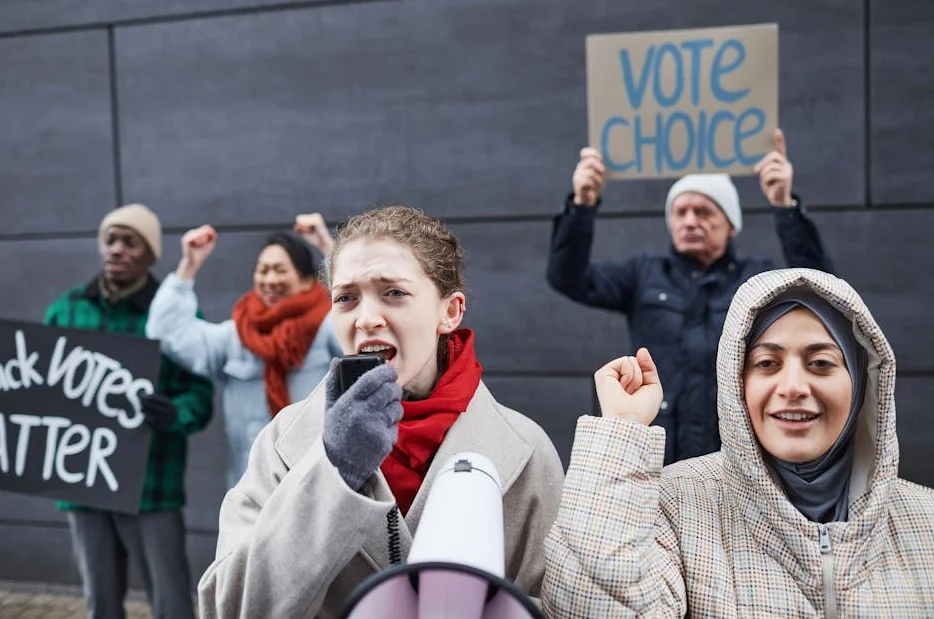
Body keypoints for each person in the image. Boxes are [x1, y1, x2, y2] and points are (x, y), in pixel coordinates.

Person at [197, 205, 565, 618]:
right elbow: (227, 610)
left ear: (451, 311)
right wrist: (333, 474)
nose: (367, 319)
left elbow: (555, 606)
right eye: (346, 298)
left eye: (394, 293)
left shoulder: (527, 449)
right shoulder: (285, 440)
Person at [542, 268, 934, 618]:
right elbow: (594, 605)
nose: (794, 387)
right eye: (767, 363)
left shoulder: (925, 519)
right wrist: (623, 428)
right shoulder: (677, 506)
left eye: (821, 363)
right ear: (736, 383)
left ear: (862, 382)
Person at [546, 129, 835, 464]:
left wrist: (784, 205)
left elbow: (822, 288)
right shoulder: (644, 274)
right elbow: (567, 278)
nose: (690, 221)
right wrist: (582, 204)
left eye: (704, 212)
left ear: (731, 225)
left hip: (734, 456)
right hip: (660, 456)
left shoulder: (756, 278)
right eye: (680, 212)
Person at [44, 203, 215, 619]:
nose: (116, 249)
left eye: (129, 241)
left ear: (150, 254)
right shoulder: (65, 311)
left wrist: (174, 413)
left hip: (151, 483)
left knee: (170, 601)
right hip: (83, 481)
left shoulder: (173, 313)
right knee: (99, 601)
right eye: (110, 239)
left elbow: (200, 393)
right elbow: (39, 389)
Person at [146, 216, 342, 489]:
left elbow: (356, 313)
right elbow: (167, 332)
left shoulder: (327, 327)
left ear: (307, 280)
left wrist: (326, 247)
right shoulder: (237, 336)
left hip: (316, 484)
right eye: (262, 270)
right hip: (251, 489)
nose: (270, 279)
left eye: (280, 270)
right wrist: (189, 265)